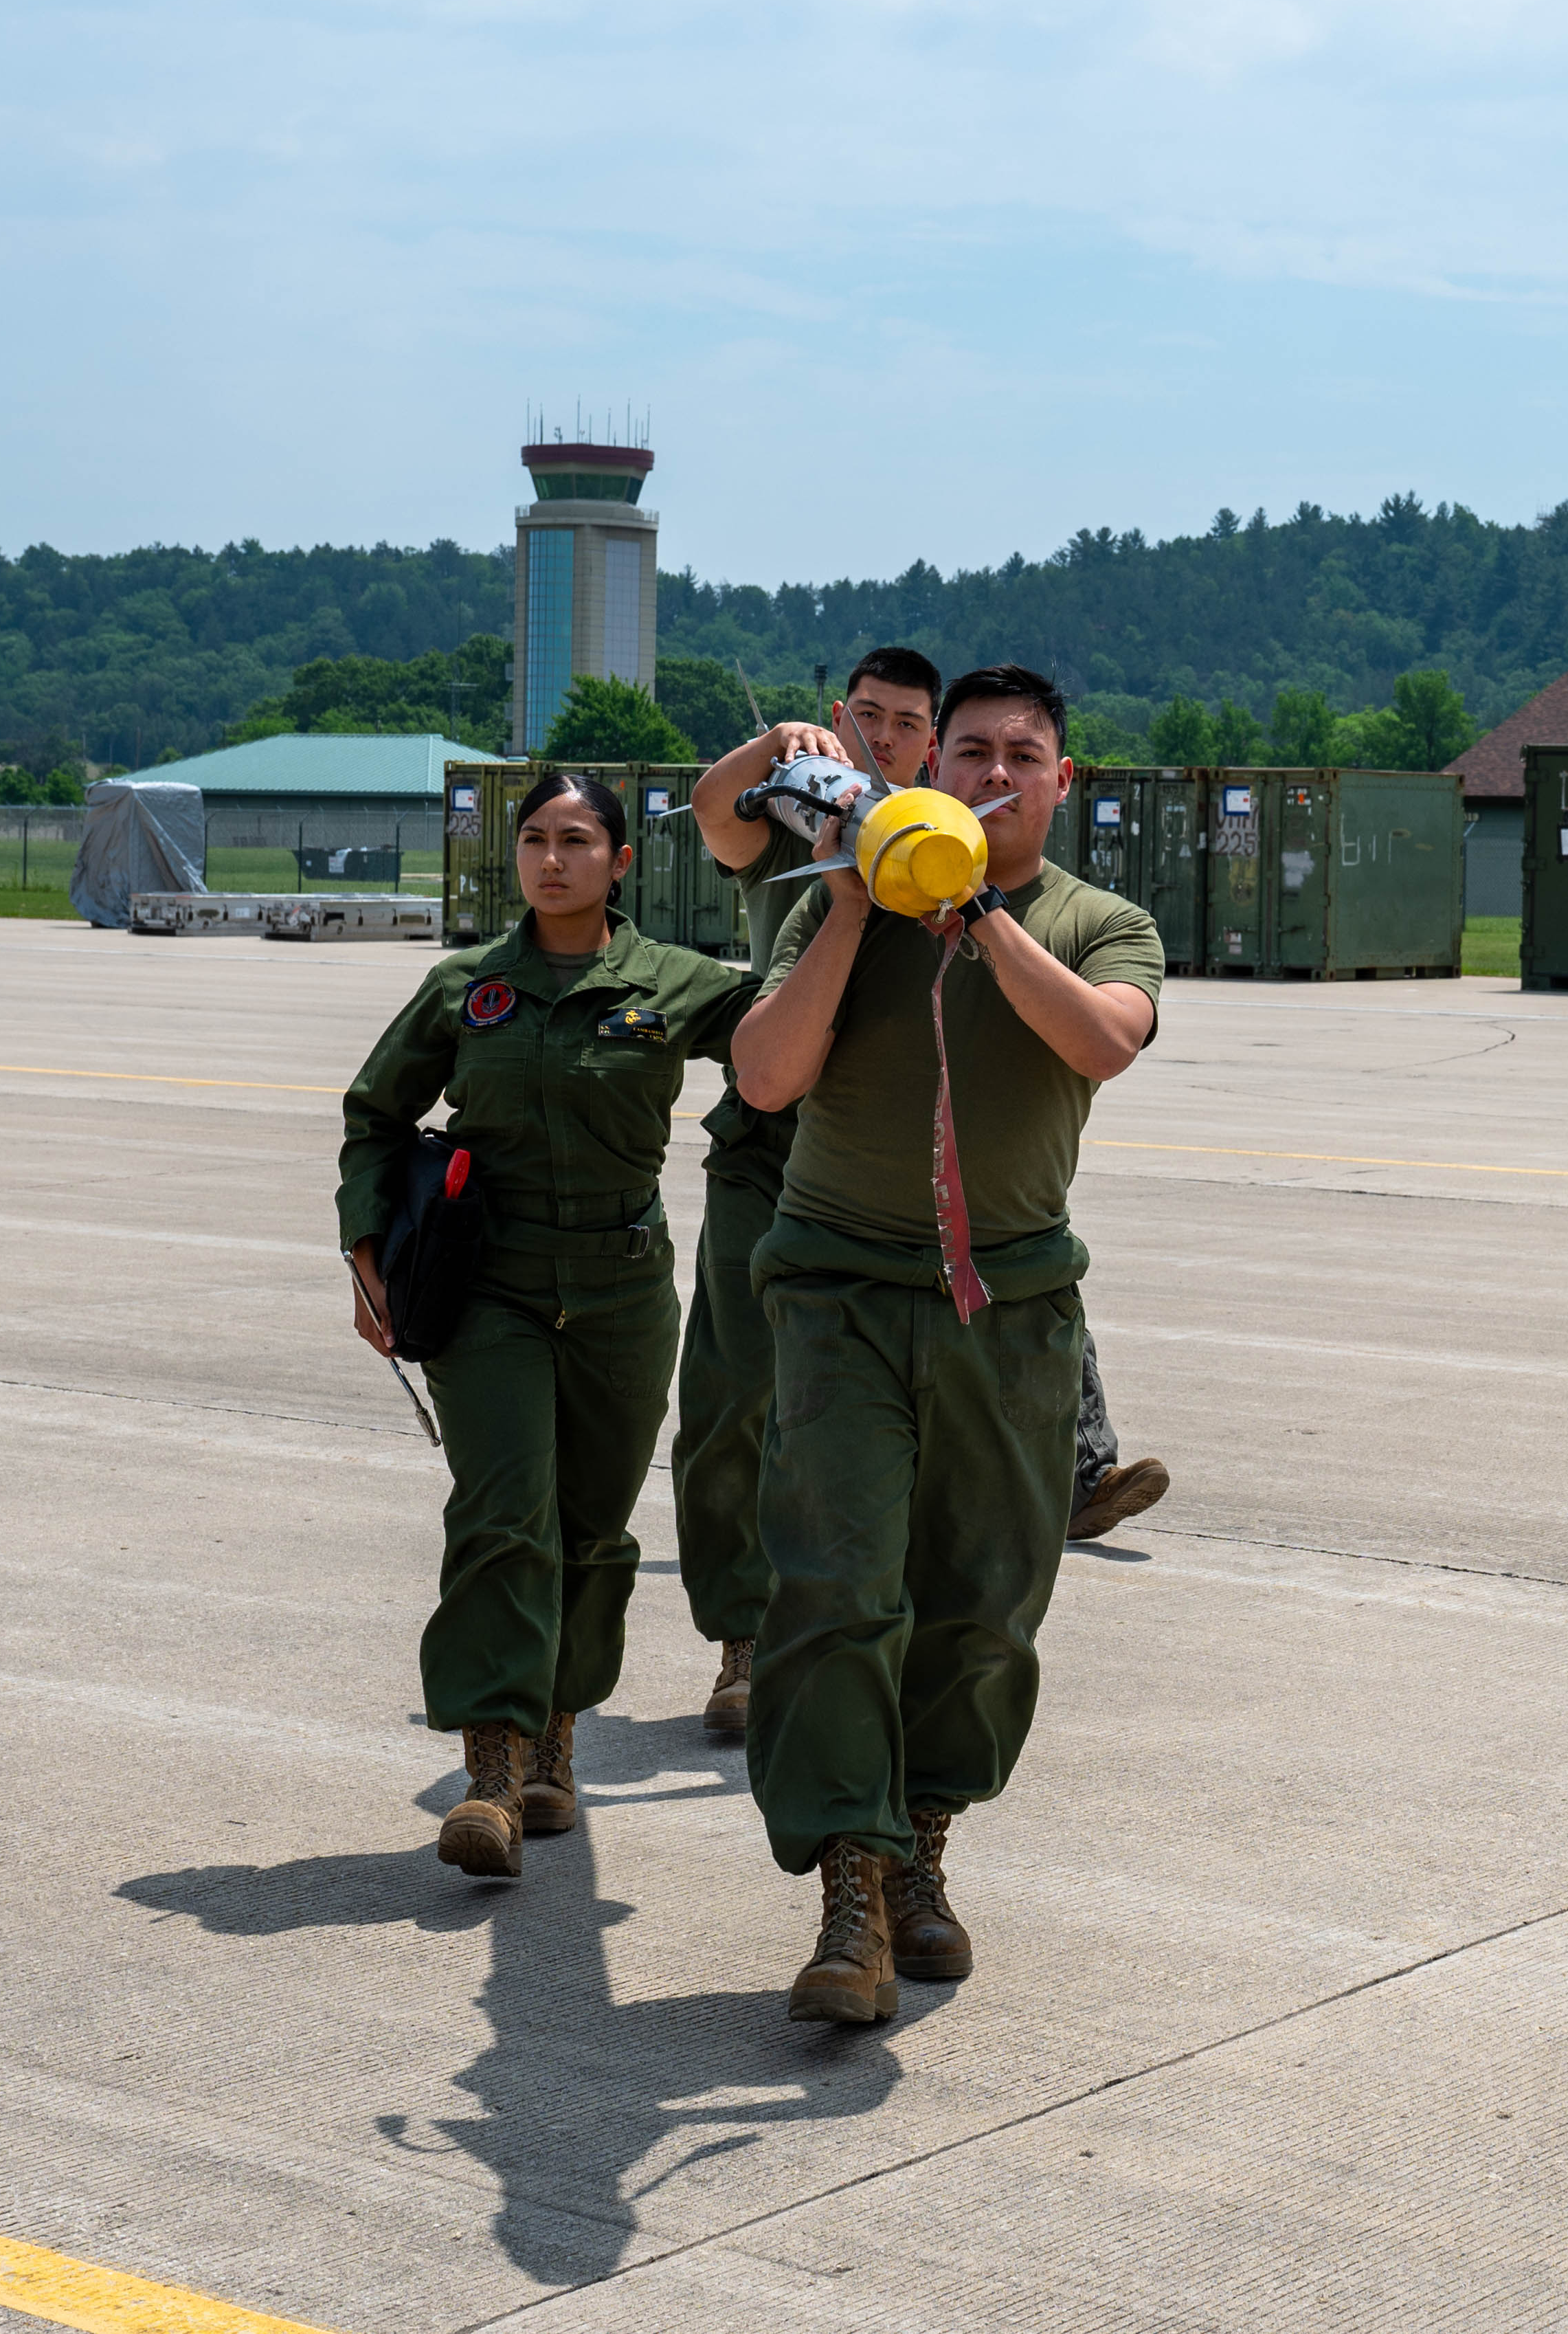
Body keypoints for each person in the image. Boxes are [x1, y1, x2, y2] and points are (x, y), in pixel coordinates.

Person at [729, 664, 1164, 2023]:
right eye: (965, 750)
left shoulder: (1101, 923)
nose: (989, 772)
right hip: (839, 1293)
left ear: (1058, 779)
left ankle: (921, 1845)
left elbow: (1100, 1044)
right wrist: (862, 899)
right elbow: (762, 1075)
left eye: (1019, 755)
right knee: (838, 1587)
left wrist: (974, 913)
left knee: (984, 1607)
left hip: (1011, 1310)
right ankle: (849, 1890)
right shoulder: (844, 896)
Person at [338, 771, 750, 1880]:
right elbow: (374, 1116)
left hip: (622, 1288)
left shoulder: (674, 982)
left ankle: (558, 1730)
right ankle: (489, 1770)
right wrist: (366, 1249)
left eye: (577, 839)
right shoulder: (464, 988)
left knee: (590, 1527)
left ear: (622, 863)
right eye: (534, 838)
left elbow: (789, 1038)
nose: (552, 858)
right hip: (494, 1288)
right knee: (500, 1515)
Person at [674, 649, 945, 1746]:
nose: (883, 736)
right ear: (843, 716)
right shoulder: (799, 818)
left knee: (891, 1415)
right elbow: (711, 811)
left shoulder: (948, 847)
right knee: (732, 1398)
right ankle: (744, 1639)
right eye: (865, 715)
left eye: (908, 723)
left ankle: (876, 1633)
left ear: (933, 741)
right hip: (771, 1146)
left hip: (887, 1163)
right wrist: (778, 745)